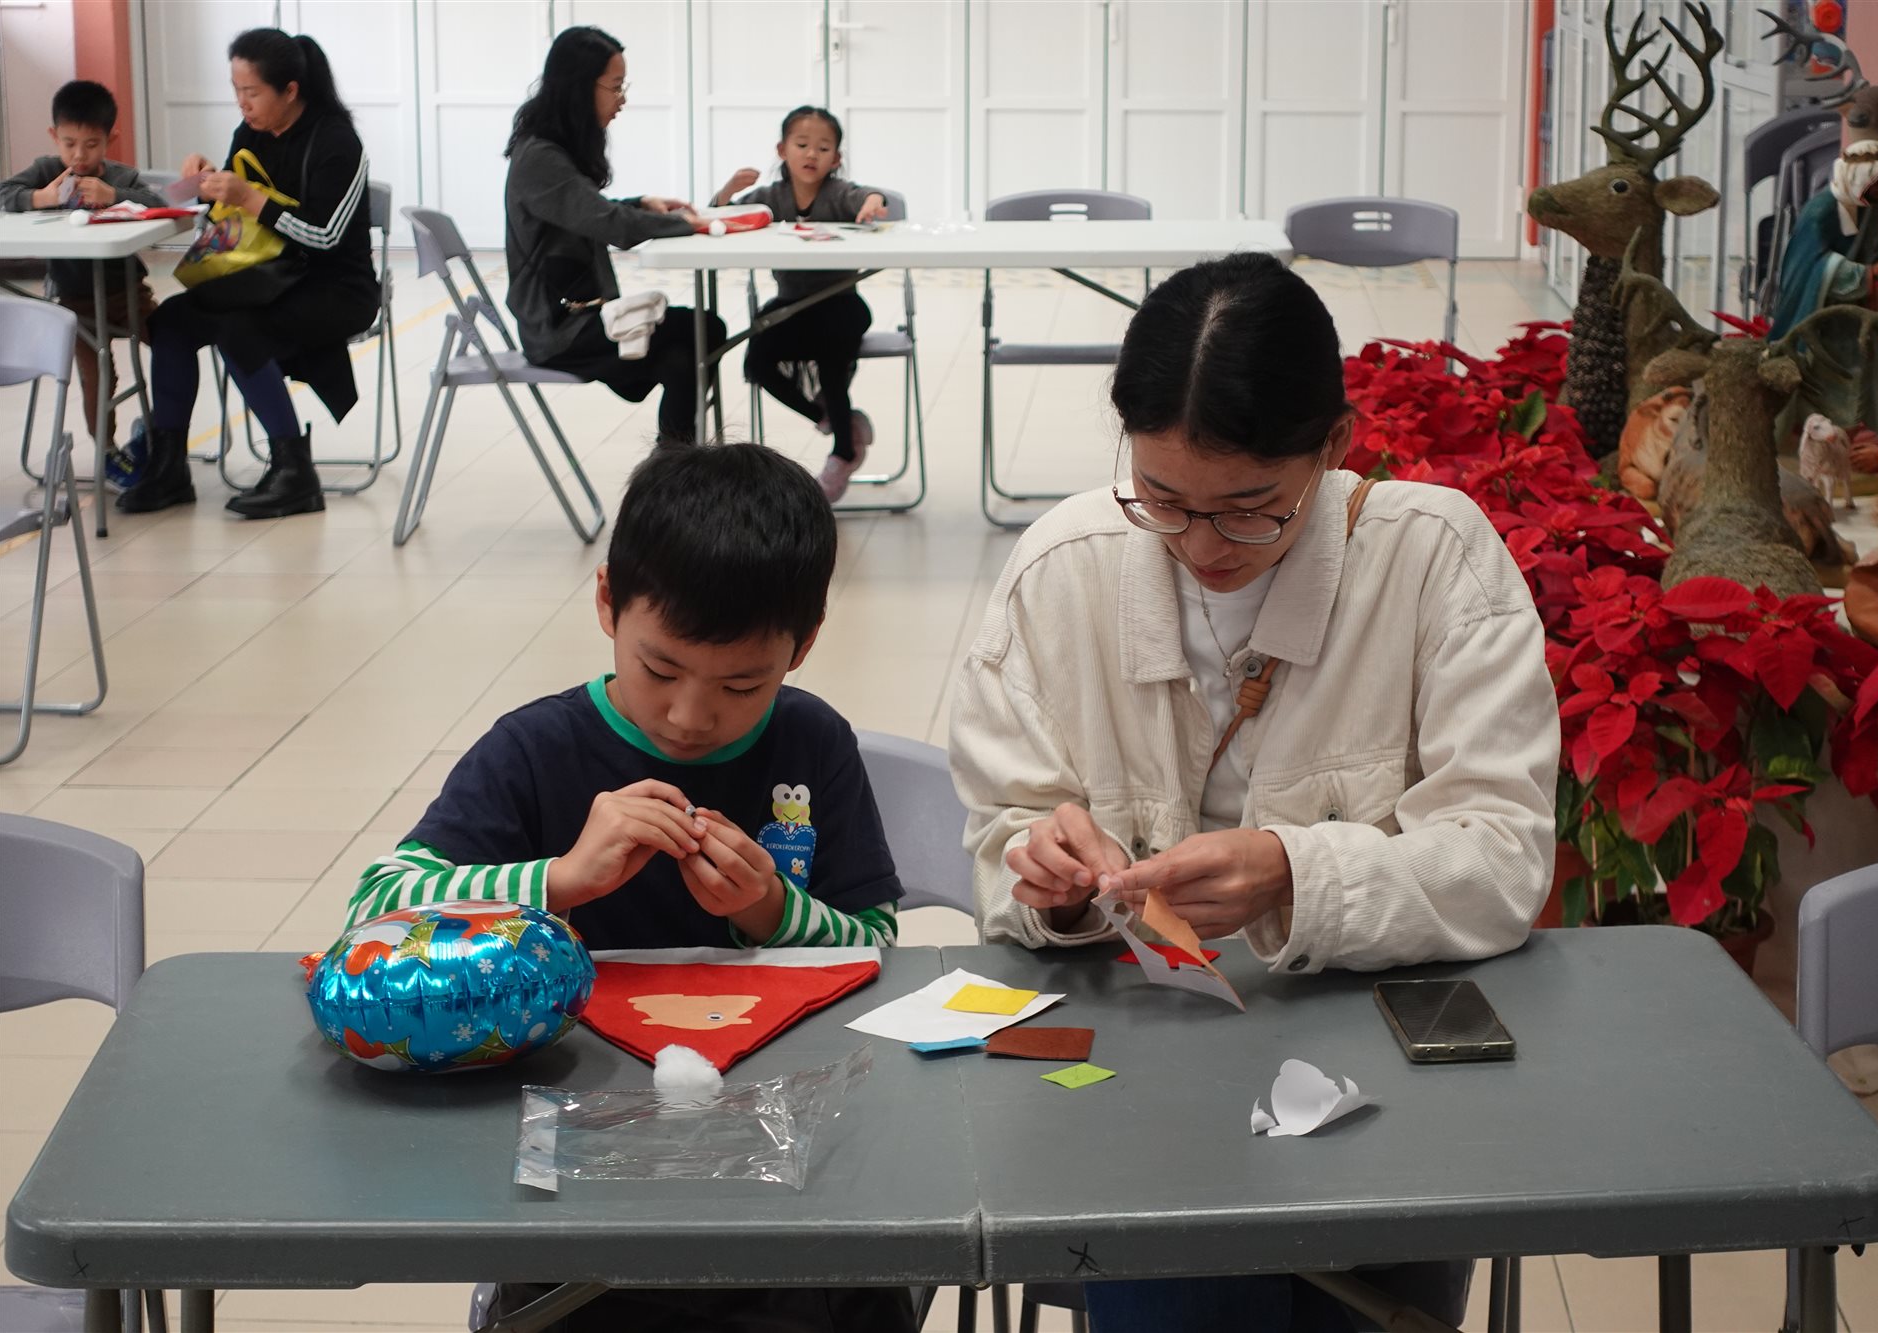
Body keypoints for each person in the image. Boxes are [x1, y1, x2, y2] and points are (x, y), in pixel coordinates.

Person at [948, 252, 1559, 1332]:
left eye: (1249, 509)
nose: (1200, 547)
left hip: (1377, 1062)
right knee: (1169, 1283)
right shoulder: (1061, 568)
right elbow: (1006, 827)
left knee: (1370, 1295)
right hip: (1130, 1070)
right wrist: (1047, 877)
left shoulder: (1431, 559)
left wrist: (1292, 871)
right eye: (1162, 500)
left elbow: (1503, 856)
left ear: (1334, 446)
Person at [346, 442, 914, 1332]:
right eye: (659, 670)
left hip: (784, 1152)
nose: (690, 715)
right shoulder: (535, 750)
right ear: (608, 601)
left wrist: (769, 909)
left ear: (802, 645)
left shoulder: (813, 743)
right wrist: (559, 878)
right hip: (580, 1157)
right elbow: (376, 909)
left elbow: (875, 940)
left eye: (742, 684)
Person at [118, 28, 380, 520]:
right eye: (236, 90)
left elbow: (326, 236)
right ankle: (169, 466)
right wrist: (205, 185)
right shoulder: (251, 133)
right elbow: (232, 218)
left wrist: (250, 199)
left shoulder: (336, 141)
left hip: (335, 287)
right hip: (264, 277)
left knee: (240, 331)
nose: (242, 103)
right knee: (170, 322)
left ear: (290, 91)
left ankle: (294, 472)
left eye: (252, 92)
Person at [504, 26, 722, 447]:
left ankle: (672, 466)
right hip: (561, 330)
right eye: (616, 86)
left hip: (579, 316)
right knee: (703, 330)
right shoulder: (540, 157)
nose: (622, 99)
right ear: (579, 88)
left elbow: (582, 209)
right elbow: (612, 226)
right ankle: (676, 464)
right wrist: (686, 224)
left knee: (684, 354)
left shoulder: (548, 149)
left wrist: (642, 204)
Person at [712, 106, 889, 499]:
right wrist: (726, 192)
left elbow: (866, 195)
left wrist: (872, 203)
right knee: (757, 360)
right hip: (792, 304)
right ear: (782, 150)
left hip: (841, 304)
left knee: (830, 353)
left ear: (836, 159)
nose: (812, 154)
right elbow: (720, 218)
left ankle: (843, 452)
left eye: (823, 148)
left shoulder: (838, 193)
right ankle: (832, 419)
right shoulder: (768, 197)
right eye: (802, 145)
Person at [0, 80, 165, 445]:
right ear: (53, 136)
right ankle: (107, 449)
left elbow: (156, 203)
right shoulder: (46, 170)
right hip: (75, 302)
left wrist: (113, 195)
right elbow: (3, 193)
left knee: (171, 345)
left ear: (110, 139)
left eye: (91, 145)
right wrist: (40, 198)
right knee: (97, 376)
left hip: (128, 294)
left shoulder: (120, 176)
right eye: (69, 143)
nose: (79, 156)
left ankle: (165, 432)